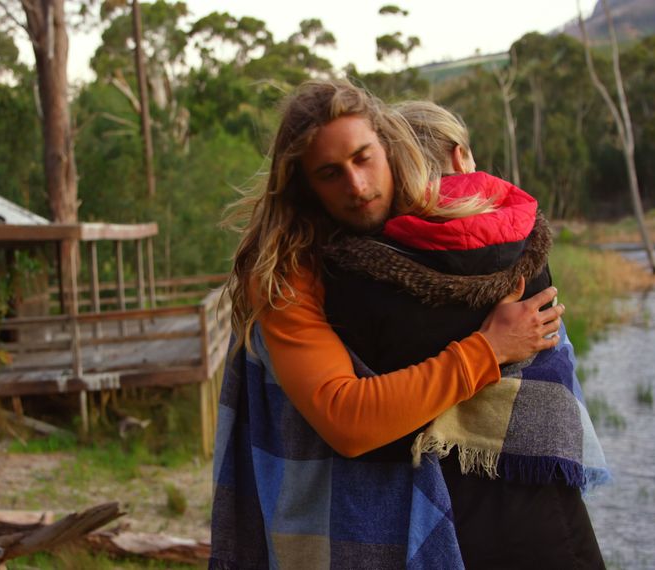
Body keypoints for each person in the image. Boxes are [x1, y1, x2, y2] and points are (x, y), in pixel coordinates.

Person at [210, 79, 567, 569]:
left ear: (387, 147)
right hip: (334, 510)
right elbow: (347, 420)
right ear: (304, 185)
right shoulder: (286, 274)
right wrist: (490, 349)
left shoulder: (418, 224)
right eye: (330, 173)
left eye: (363, 158)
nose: (356, 187)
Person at [322, 100, 609, 568]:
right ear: (459, 155)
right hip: (540, 498)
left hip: (426, 509)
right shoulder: (525, 240)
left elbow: (370, 422)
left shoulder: (355, 270)